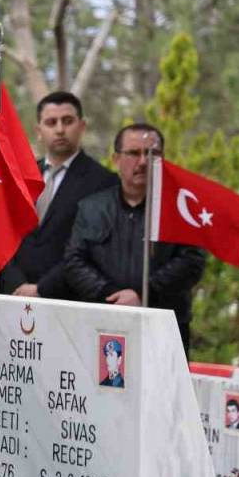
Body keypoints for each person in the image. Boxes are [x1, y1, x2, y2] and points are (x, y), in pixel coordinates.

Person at [64, 124, 205, 353]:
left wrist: (143, 293)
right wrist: (110, 295)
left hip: (163, 327)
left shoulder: (182, 209)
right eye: (133, 153)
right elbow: (74, 260)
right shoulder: (93, 208)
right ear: (116, 159)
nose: (142, 162)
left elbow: (192, 262)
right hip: (103, 324)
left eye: (152, 154)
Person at [2, 91, 119, 299]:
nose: (60, 130)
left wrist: (42, 288)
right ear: (39, 131)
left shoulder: (103, 182)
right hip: (16, 296)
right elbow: (6, 236)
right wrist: (16, 283)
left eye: (67, 121)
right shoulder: (20, 178)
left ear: (81, 126)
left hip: (68, 299)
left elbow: (92, 248)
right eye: (51, 122)